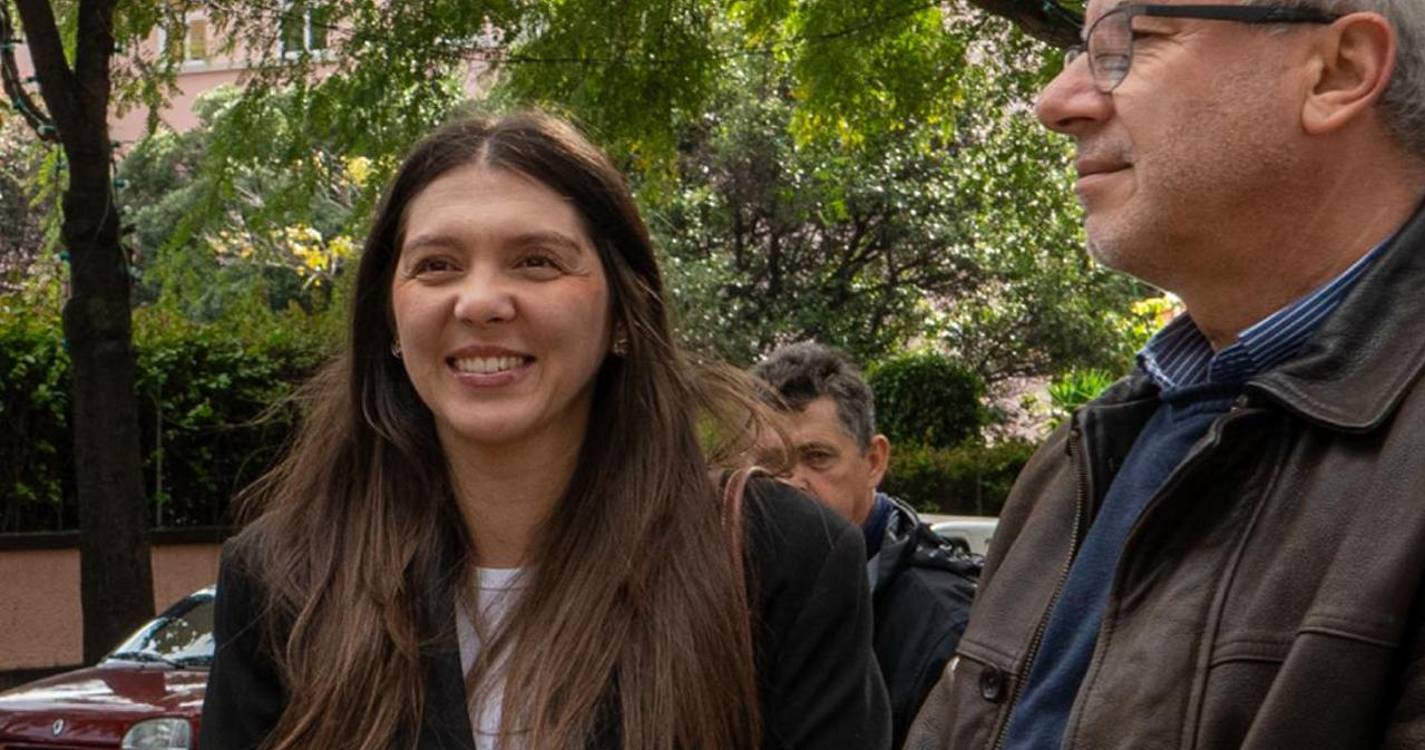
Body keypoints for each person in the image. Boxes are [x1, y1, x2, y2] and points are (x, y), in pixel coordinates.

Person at [199, 112, 891, 750]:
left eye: (536, 260)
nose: (480, 302)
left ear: (624, 314)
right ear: (387, 319)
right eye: (437, 265)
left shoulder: (781, 559)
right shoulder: (283, 578)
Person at [907, 1, 1425, 748]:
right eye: (1079, 49)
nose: (1057, 103)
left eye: (1130, 43)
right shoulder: (1081, 457)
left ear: (1336, 72)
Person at [752, 341, 979, 750]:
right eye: (770, 464)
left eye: (816, 457)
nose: (790, 483)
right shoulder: (724, 600)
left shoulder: (944, 630)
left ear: (874, 461)